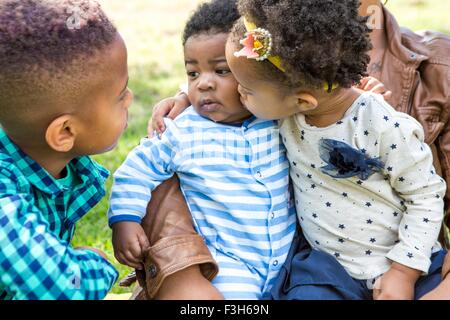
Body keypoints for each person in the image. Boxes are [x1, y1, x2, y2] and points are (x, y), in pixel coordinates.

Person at [141, 0, 450, 299]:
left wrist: (403, 271)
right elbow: (237, 63)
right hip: (323, 270)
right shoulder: (285, 104)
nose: (237, 92)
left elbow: (424, 196)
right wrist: (188, 97)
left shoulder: (383, 125)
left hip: (404, 262)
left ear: (303, 101)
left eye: (243, 90)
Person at [108, 0, 296, 300]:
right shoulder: (183, 131)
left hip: (289, 258)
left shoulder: (276, 119)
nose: (204, 84)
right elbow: (136, 170)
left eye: (221, 71)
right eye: (192, 74)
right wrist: (124, 220)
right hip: (228, 263)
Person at [0, 0, 129, 299]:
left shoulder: (53, 160)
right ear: (66, 132)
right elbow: (59, 286)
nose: (130, 100)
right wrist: (96, 262)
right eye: (120, 95)